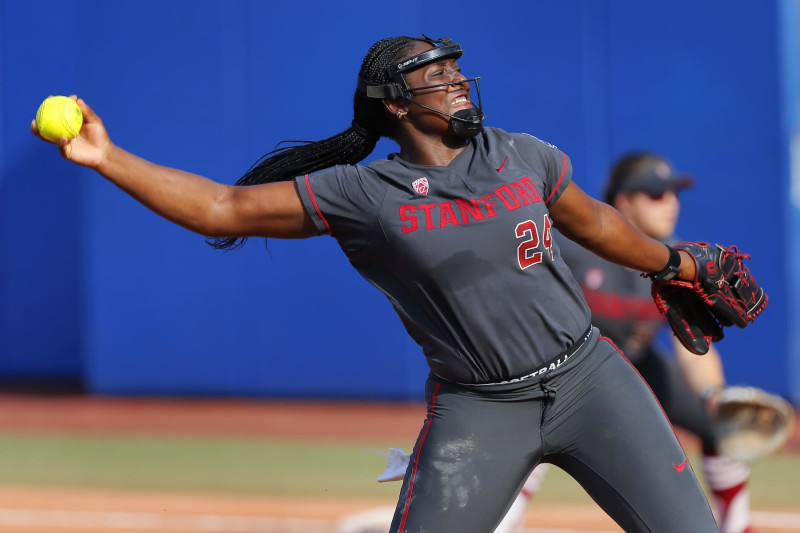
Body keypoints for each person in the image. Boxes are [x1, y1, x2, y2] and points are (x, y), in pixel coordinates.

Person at [32, 35, 725, 532]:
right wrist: (108, 157)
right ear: (394, 102)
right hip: (482, 407)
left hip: (589, 376)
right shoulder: (365, 193)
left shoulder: (521, 154)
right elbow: (222, 207)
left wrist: (677, 265)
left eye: (457, 68)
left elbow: (599, 224)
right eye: (436, 73)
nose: (457, 80)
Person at [493, 152, 757, 533]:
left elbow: (693, 344)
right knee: (529, 439)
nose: (669, 203)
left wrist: (714, 395)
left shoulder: (679, 260)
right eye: (655, 194)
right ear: (623, 201)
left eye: (673, 193)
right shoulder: (573, 245)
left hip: (635, 364)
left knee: (719, 426)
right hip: (566, 368)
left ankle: (738, 527)